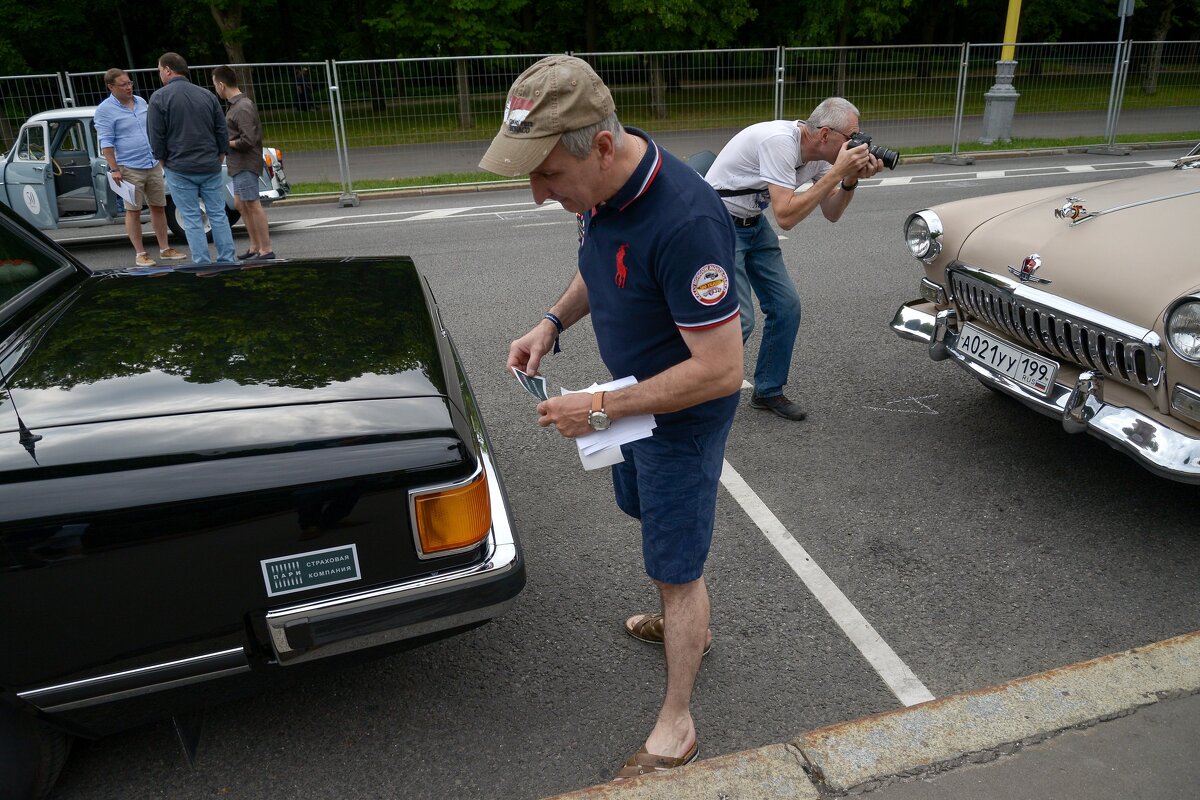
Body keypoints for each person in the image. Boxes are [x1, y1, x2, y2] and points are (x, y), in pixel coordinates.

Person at [480, 56, 742, 782]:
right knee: (648, 520)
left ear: (597, 145)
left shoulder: (686, 219)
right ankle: (686, 618)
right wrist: (551, 322)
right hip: (631, 406)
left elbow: (722, 370)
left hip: (678, 419)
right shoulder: (601, 189)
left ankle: (678, 722)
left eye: (547, 176)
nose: (538, 194)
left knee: (676, 567)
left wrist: (596, 406)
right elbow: (600, 265)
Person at [705, 98, 884, 420]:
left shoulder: (823, 157)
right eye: (852, 138)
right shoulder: (779, 142)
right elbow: (786, 216)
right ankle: (693, 391)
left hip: (752, 224)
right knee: (739, 319)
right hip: (716, 224)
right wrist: (838, 173)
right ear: (826, 134)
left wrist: (849, 179)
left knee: (786, 306)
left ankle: (768, 390)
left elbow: (831, 212)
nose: (858, 146)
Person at [146, 52, 236, 265]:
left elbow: (156, 135)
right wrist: (221, 153)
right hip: (209, 164)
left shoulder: (159, 97)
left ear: (168, 70)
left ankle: (202, 263)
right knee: (217, 214)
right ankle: (227, 260)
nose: (160, 74)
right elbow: (221, 129)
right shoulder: (207, 95)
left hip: (179, 166)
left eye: (159, 70)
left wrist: (162, 160)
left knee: (192, 217)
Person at [93, 68, 188, 267]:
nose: (128, 87)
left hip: (152, 162)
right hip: (128, 167)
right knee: (133, 210)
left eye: (129, 83)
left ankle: (165, 249)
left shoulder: (142, 102)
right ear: (111, 87)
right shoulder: (104, 110)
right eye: (123, 85)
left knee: (158, 206)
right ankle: (141, 253)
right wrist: (115, 168)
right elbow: (106, 143)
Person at [212, 65, 273, 261]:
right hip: (237, 164)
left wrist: (224, 142)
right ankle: (255, 246)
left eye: (215, 85)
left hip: (246, 162)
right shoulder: (235, 105)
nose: (215, 89)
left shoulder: (242, 107)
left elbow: (248, 141)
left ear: (221, 85)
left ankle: (266, 249)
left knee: (252, 204)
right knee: (240, 203)